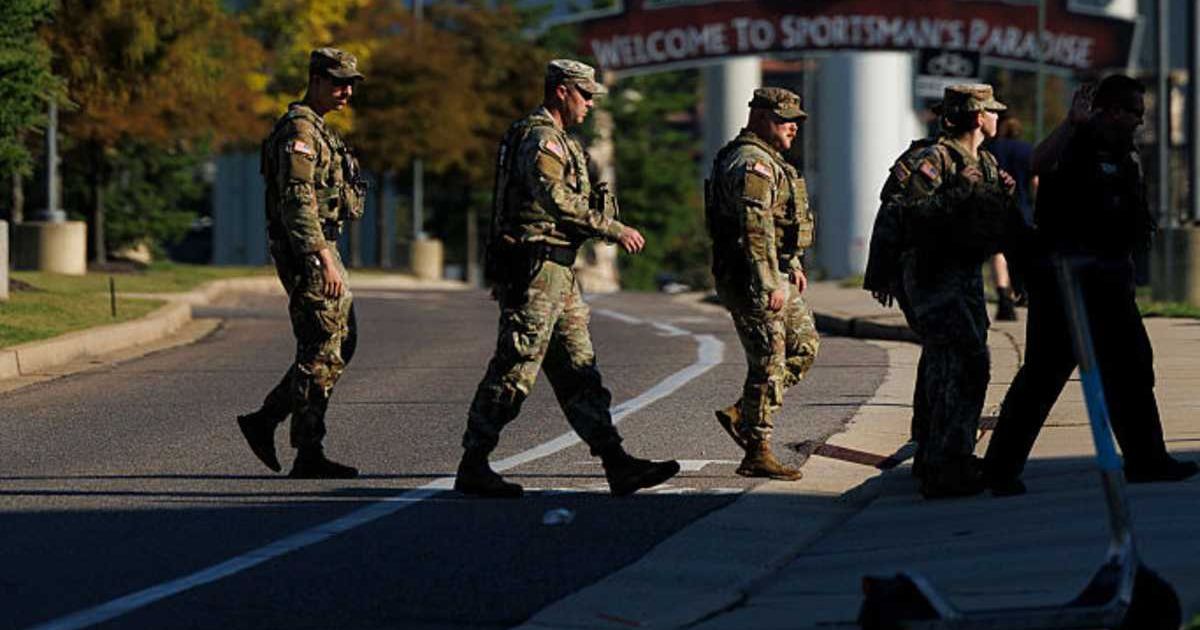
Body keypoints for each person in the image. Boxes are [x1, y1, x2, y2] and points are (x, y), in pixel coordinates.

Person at [455, 59, 680, 499]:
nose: (591, 103)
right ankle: (474, 462)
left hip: (561, 272)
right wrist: (613, 228)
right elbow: (554, 199)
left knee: (580, 371)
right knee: (515, 369)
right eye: (585, 94)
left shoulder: (564, 142)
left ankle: (617, 463)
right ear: (561, 91)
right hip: (536, 270)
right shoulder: (540, 139)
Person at [983, 75, 1199, 496]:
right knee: (1043, 376)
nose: (1140, 120)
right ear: (1112, 110)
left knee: (1133, 368)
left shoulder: (1122, 149)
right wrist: (1070, 123)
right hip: (1067, 283)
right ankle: (999, 470)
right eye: (1134, 112)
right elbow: (1037, 164)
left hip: (1111, 279)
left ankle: (1147, 460)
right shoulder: (1075, 141)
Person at [236, 48, 367, 479]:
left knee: (338, 344)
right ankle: (306, 450)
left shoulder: (319, 130)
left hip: (324, 248)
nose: (346, 90)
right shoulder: (300, 132)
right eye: (337, 81)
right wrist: (322, 260)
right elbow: (298, 205)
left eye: (350, 83)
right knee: (321, 347)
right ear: (314, 79)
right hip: (310, 252)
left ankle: (265, 421)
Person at [883, 84, 1019, 498]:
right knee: (964, 362)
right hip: (932, 277)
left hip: (964, 276)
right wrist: (960, 195)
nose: (997, 117)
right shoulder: (933, 159)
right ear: (979, 117)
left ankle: (938, 454)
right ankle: (946, 461)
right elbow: (909, 215)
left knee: (952, 363)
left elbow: (998, 222)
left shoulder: (987, 162)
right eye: (992, 111)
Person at [705, 87, 819, 481]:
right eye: (785, 120)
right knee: (768, 363)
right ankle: (757, 449)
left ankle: (744, 412)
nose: (793, 128)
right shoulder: (752, 164)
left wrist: (792, 262)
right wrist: (770, 280)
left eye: (796, 122)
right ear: (760, 118)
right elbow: (755, 229)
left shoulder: (771, 162)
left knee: (803, 347)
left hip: (776, 273)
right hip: (751, 278)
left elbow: (778, 224)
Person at [984, 117, 1036, 321]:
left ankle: (1004, 295)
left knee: (998, 252)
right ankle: (1023, 291)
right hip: (1021, 208)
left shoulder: (992, 148)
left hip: (995, 209)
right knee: (1022, 252)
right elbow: (1036, 181)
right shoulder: (1027, 150)